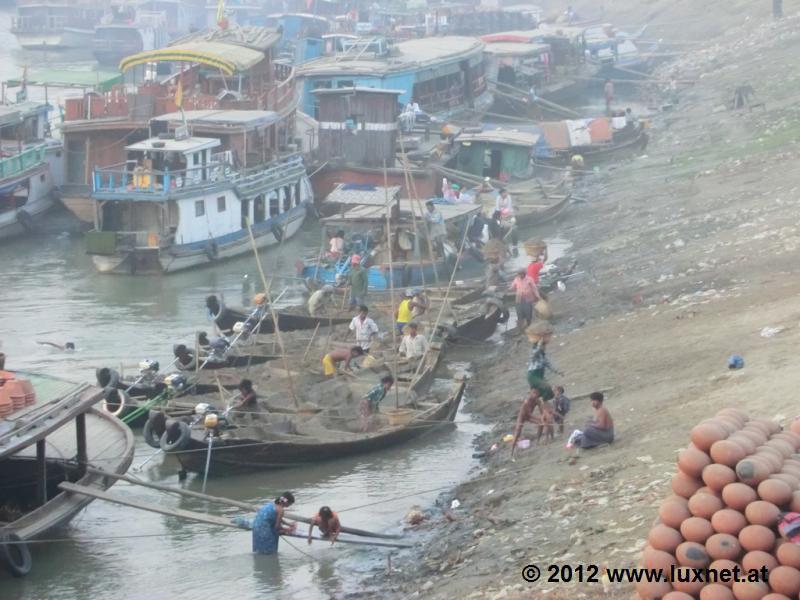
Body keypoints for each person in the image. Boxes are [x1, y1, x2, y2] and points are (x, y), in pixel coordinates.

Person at [232, 492, 297, 554]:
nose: (290, 505)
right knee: (268, 553)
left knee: (258, 551)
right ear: (287, 502)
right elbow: (277, 527)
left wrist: (288, 524)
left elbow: (276, 518)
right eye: (290, 504)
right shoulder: (280, 510)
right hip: (265, 531)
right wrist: (288, 529)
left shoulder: (272, 504)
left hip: (256, 526)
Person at [526, 334, 561, 400]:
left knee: (550, 392)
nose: (544, 348)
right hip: (533, 376)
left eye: (544, 346)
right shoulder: (534, 355)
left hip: (540, 377)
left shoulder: (543, 357)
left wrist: (558, 372)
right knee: (546, 387)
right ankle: (544, 403)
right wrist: (540, 343)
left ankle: (541, 404)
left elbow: (550, 366)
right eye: (543, 346)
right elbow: (537, 351)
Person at [511, 389, 543, 458]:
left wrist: (543, 418)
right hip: (522, 416)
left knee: (541, 424)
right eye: (534, 393)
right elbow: (529, 414)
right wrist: (539, 418)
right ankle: (512, 451)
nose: (535, 395)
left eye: (537, 393)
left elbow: (541, 411)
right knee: (518, 431)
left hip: (529, 416)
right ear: (530, 393)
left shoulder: (538, 401)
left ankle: (538, 441)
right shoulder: (527, 402)